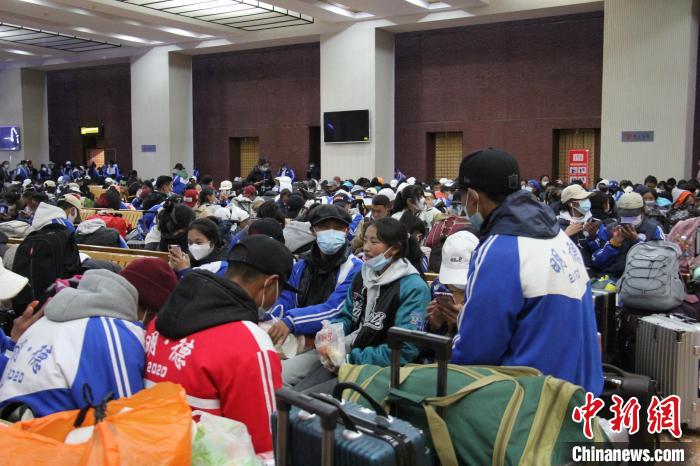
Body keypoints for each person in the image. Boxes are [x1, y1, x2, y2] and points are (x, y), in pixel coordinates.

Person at [451, 148, 603, 395]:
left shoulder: (499, 249)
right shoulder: (558, 236)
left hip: (531, 401)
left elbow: (476, 349)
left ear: (474, 197)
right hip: (580, 393)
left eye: (462, 196)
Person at [144, 235, 296, 453]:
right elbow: (266, 443)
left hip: (149, 448)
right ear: (270, 283)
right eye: (280, 292)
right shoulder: (250, 343)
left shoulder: (160, 320)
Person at [294, 218, 430, 392]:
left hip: (380, 369)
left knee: (308, 399)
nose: (366, 247)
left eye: (374, 242)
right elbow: (347, 316)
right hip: (349, 353)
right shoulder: (363, 275)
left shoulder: (413, 287)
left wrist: (351, 358)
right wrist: (331, 334)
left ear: (395, 248)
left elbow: (404, 349)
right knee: (295, 392)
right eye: (365, 240)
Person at [0, 269, 145, 418]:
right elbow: (124, 414)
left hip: (15, 421)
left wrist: (12, 345)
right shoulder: (112, 331)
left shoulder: (41, 323)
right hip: (44, 428)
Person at [266, 205, 363, 386]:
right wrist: (271, 322)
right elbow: (286, 299)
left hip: (329, 343)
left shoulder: (355, 269)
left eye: (338, 228)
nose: (331, 232)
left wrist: (291, 321)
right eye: (324, 227)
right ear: (313, 230)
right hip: (296, 336)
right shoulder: (302, 265)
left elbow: (334, 310)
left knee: (278, 374)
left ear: (346, 231)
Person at [591, 192, 665, 278]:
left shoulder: (654, 229)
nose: (629, 219)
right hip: (612, 278)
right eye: (625, 215)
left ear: (642, 211)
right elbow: (596, 262)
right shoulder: (609, 229)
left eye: (632, 215)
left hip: (643, 278)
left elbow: (661, 260)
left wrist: (637, 241)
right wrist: (613, 244)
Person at [425, 231, 478, 337]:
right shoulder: (439, 287)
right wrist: (436, 327)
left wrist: (463, 325)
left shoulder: (489, 292)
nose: (457, 285)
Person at [557, 184, 598, 268]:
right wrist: (565, 235)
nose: (587, 202)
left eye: (587, 198)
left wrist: (593, 238)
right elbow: (551, 252)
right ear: (571, 204)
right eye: (583, 199)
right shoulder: (556, 225)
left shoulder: (595, 222)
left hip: (590, 271)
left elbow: (599, 255)